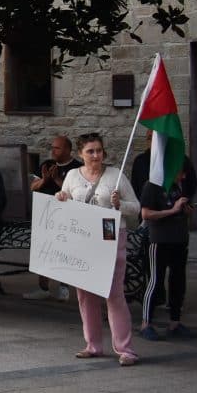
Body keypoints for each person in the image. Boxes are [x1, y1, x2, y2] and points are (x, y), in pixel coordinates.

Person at [57, 133, 140, 366]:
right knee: (84, 295)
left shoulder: (116, 175)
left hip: (110, 239)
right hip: (82, 240)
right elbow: (65, 202)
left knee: (114, 293)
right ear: (80, 154)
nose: (96, 155)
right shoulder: (73, 175)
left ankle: (125, 349)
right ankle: (93, 345)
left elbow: (136, 208)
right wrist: (61, 197)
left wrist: (119, 205)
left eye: (99, 150)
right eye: (90, 151)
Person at [132, 132, 197, 340]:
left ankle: (175, 323)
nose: (184, 176)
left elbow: (180, 205)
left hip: (179, 239)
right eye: (181, 172)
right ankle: (146, 323)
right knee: (155, 281)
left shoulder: (178, 186)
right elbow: (146, 214)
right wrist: (171, 211)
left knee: (178, 280)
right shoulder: (153, 185)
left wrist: (185, 210)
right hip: (159, 240)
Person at [25, 135, 81, 301]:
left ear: (68, 150)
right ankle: (43, 287)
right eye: (53, 147)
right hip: (44, 214)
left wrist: (56, 179)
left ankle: (64, 286)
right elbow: (32, 187)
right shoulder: (46, 165)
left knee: (63, 251)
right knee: (43, 250)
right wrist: (45, 180)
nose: (53, 150)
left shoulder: (76, 168)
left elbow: (75, 193)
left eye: (57, 148)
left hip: (66, 218)